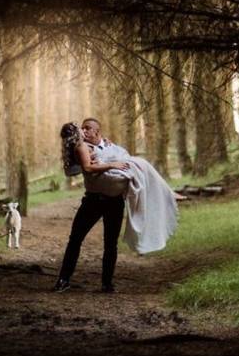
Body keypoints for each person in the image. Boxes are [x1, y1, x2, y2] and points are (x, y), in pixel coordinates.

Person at [54, 118, 178, 293]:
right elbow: (75, 169)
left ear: (98, 131)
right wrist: (99, 163)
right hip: (92, 201)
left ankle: (107, 284)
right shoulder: (80, 148)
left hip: (114, 202)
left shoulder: (116, 149)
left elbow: (128, 165)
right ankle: (63, 279)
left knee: (110, 243)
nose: (85, 130)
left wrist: (107, 162)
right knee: (75, 239)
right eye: (83, 128)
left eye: (88, 128)